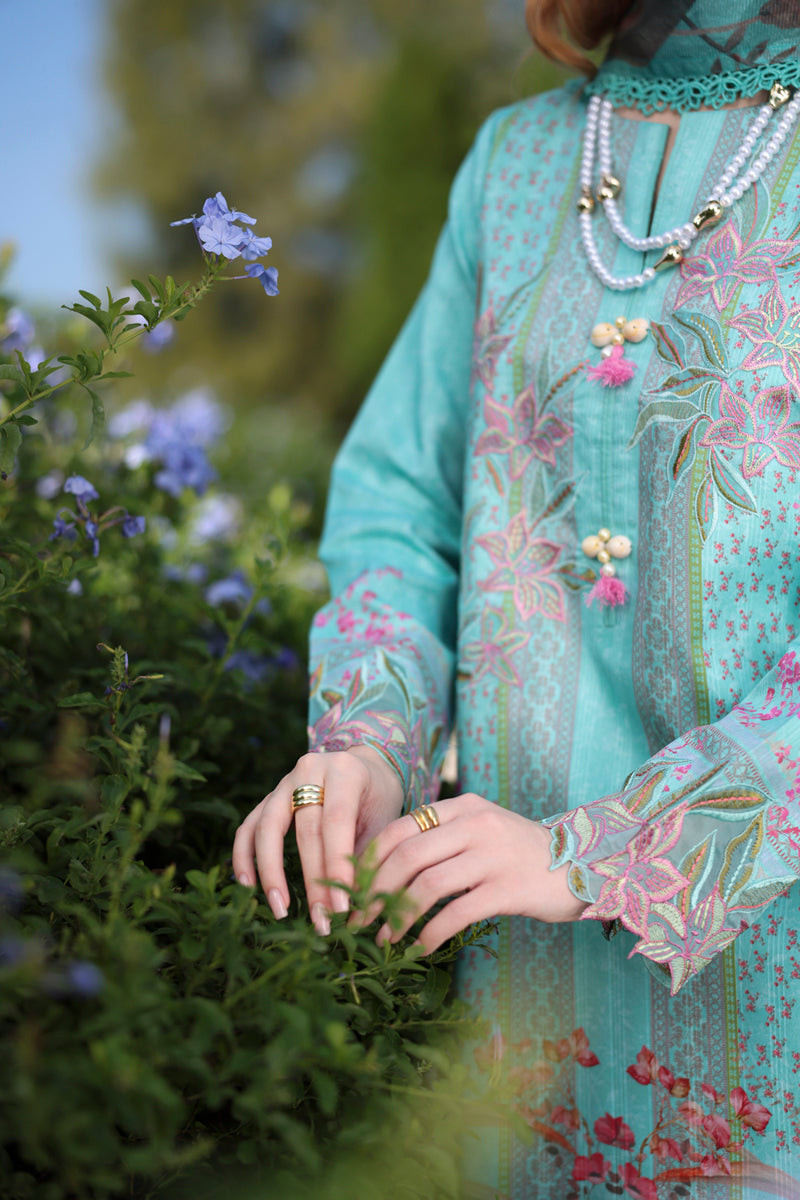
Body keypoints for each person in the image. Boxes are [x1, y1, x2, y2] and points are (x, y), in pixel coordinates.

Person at [233, 1, 800, 1195]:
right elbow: (399, 496)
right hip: (516, 1015)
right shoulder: (519, 162)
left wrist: (611, 853)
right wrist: (369, 736)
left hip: (768, 989)